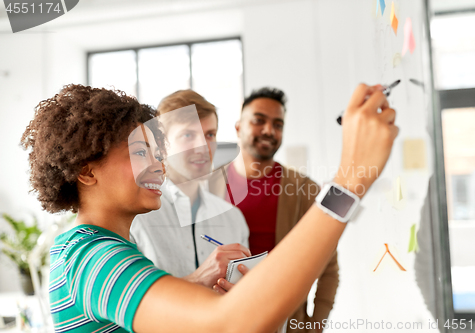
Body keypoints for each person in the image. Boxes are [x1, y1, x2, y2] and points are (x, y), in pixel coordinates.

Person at [24, 83, 397, 333]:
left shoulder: (108, 249)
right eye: (140, 153)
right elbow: (227, 322)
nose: (157, 164)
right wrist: (348, 182)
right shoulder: (89, 256)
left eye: (156, 153)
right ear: (87, 171)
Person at [210, 87, 339, 332]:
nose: (269, 130)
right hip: (221, 318)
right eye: (259, 121)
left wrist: (314, 326)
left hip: (284, 321)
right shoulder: (209, 186)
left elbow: (329, 266)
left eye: (278, 124)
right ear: (238, 127)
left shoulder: (304, 189)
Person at [130, 90, 250, 288]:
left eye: (209, 134)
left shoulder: (233, 219)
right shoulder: (136, 217)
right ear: (162, 144)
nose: (203, 147)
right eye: (188, 135)